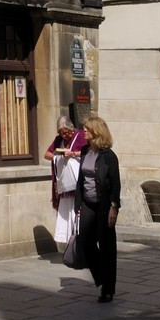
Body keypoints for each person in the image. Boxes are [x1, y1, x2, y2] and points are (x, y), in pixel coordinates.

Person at [74, 114, 120, 303]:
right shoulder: (85, 151)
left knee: (107, 246)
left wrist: (114, 207)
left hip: (104, 205)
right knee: (85, 241)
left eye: (87, 128)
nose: (84, 131)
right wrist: (78, 203)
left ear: (96, 132)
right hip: (87, 203)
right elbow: (80, 180)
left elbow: (116, 183)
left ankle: (108, 289)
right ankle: (101, 275)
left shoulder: (108, 156)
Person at [45, 114, 87, 245]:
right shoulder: (58, 140)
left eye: (67, 133)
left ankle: (80, 242)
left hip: (78, 183)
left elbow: (88, 152)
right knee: (67, 213)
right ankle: (70, 243)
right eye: (61, 133)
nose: (64, 136)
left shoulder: (80, 136)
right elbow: (47, 154)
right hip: (65, 186)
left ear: (72, 128)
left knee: (78, 213)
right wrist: (58, 157)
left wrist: (73, 153)